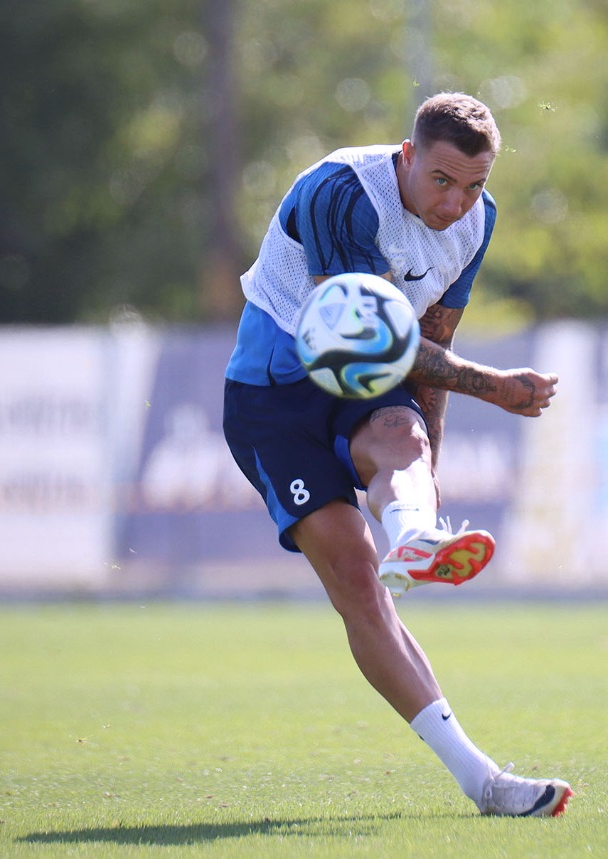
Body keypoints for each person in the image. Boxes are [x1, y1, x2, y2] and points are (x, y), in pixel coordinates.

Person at [222, 92, 571, 817]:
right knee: (357, 578)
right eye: (441, 180)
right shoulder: (342, 192)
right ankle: (481, 775)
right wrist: (494, 386)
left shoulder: (476, 221)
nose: (454, 204)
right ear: (407, 156)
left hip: (363, 378)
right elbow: (361, 336)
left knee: (403, 444)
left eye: (473, 186)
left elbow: (431, 343)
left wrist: (427, 478)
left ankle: (416, 538)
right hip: (274, 397)